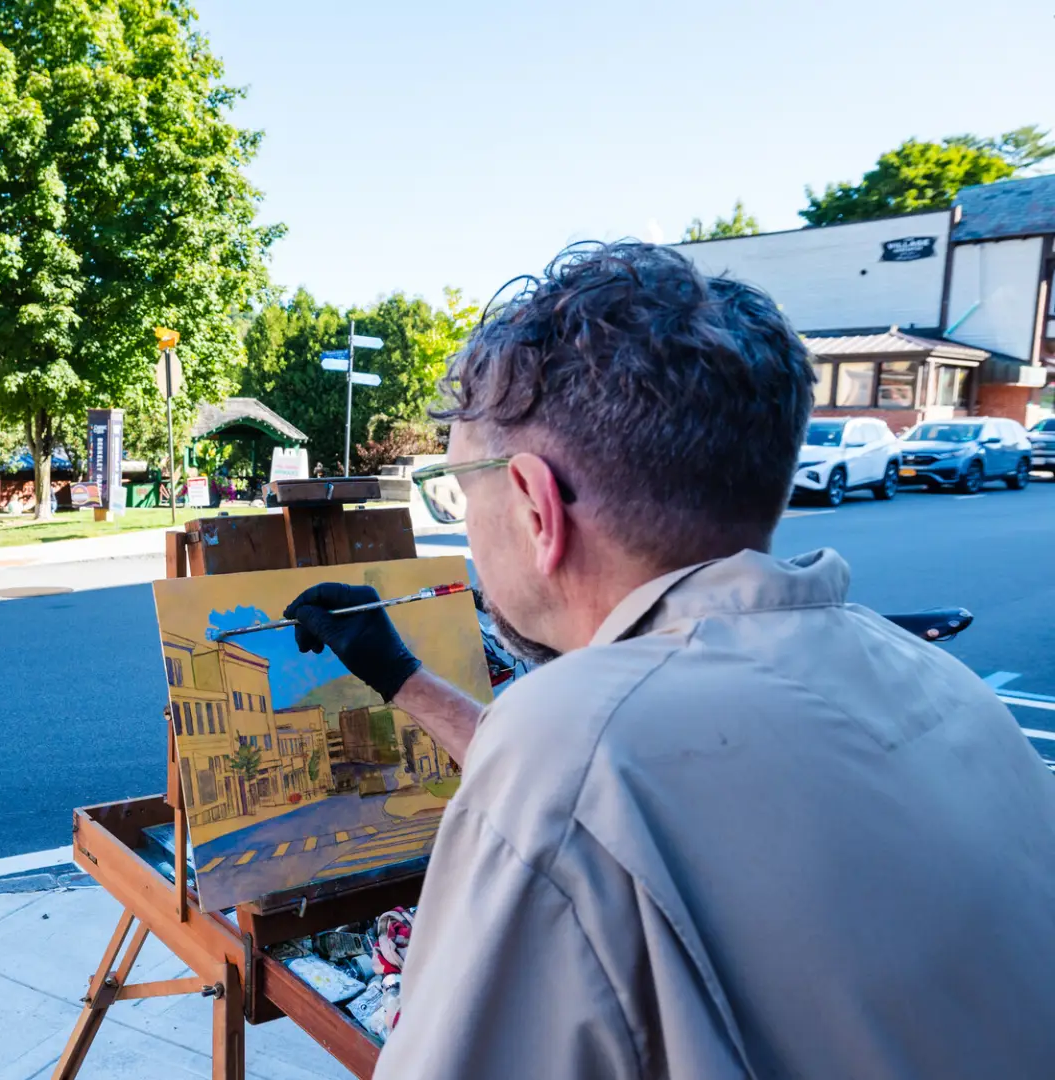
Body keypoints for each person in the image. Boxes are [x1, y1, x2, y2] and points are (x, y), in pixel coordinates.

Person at [284, 241, 1055, 1079]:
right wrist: (404, 679)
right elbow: (629, 790)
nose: (465, 534)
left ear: (537, 506)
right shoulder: (940, 682)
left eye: (459, 494)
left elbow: (587, 780)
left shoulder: (576, 748)